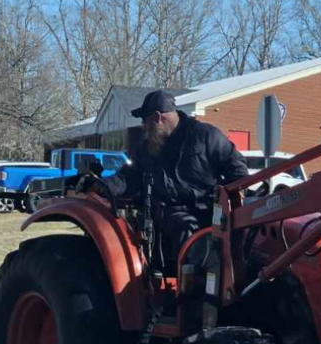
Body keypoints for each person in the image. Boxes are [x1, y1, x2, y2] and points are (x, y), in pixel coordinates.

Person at [101, 89, 249, 268]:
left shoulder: (205, 136)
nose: (143, 127)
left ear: (157, 118)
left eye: (145, 121)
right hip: (170, 214)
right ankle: (192, 286)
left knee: (249, 231)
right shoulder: (147, 149)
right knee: (186, 228)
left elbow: (238, 170)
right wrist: (102, 186)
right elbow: (127, 178)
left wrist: (223, 197)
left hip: (212, 211)